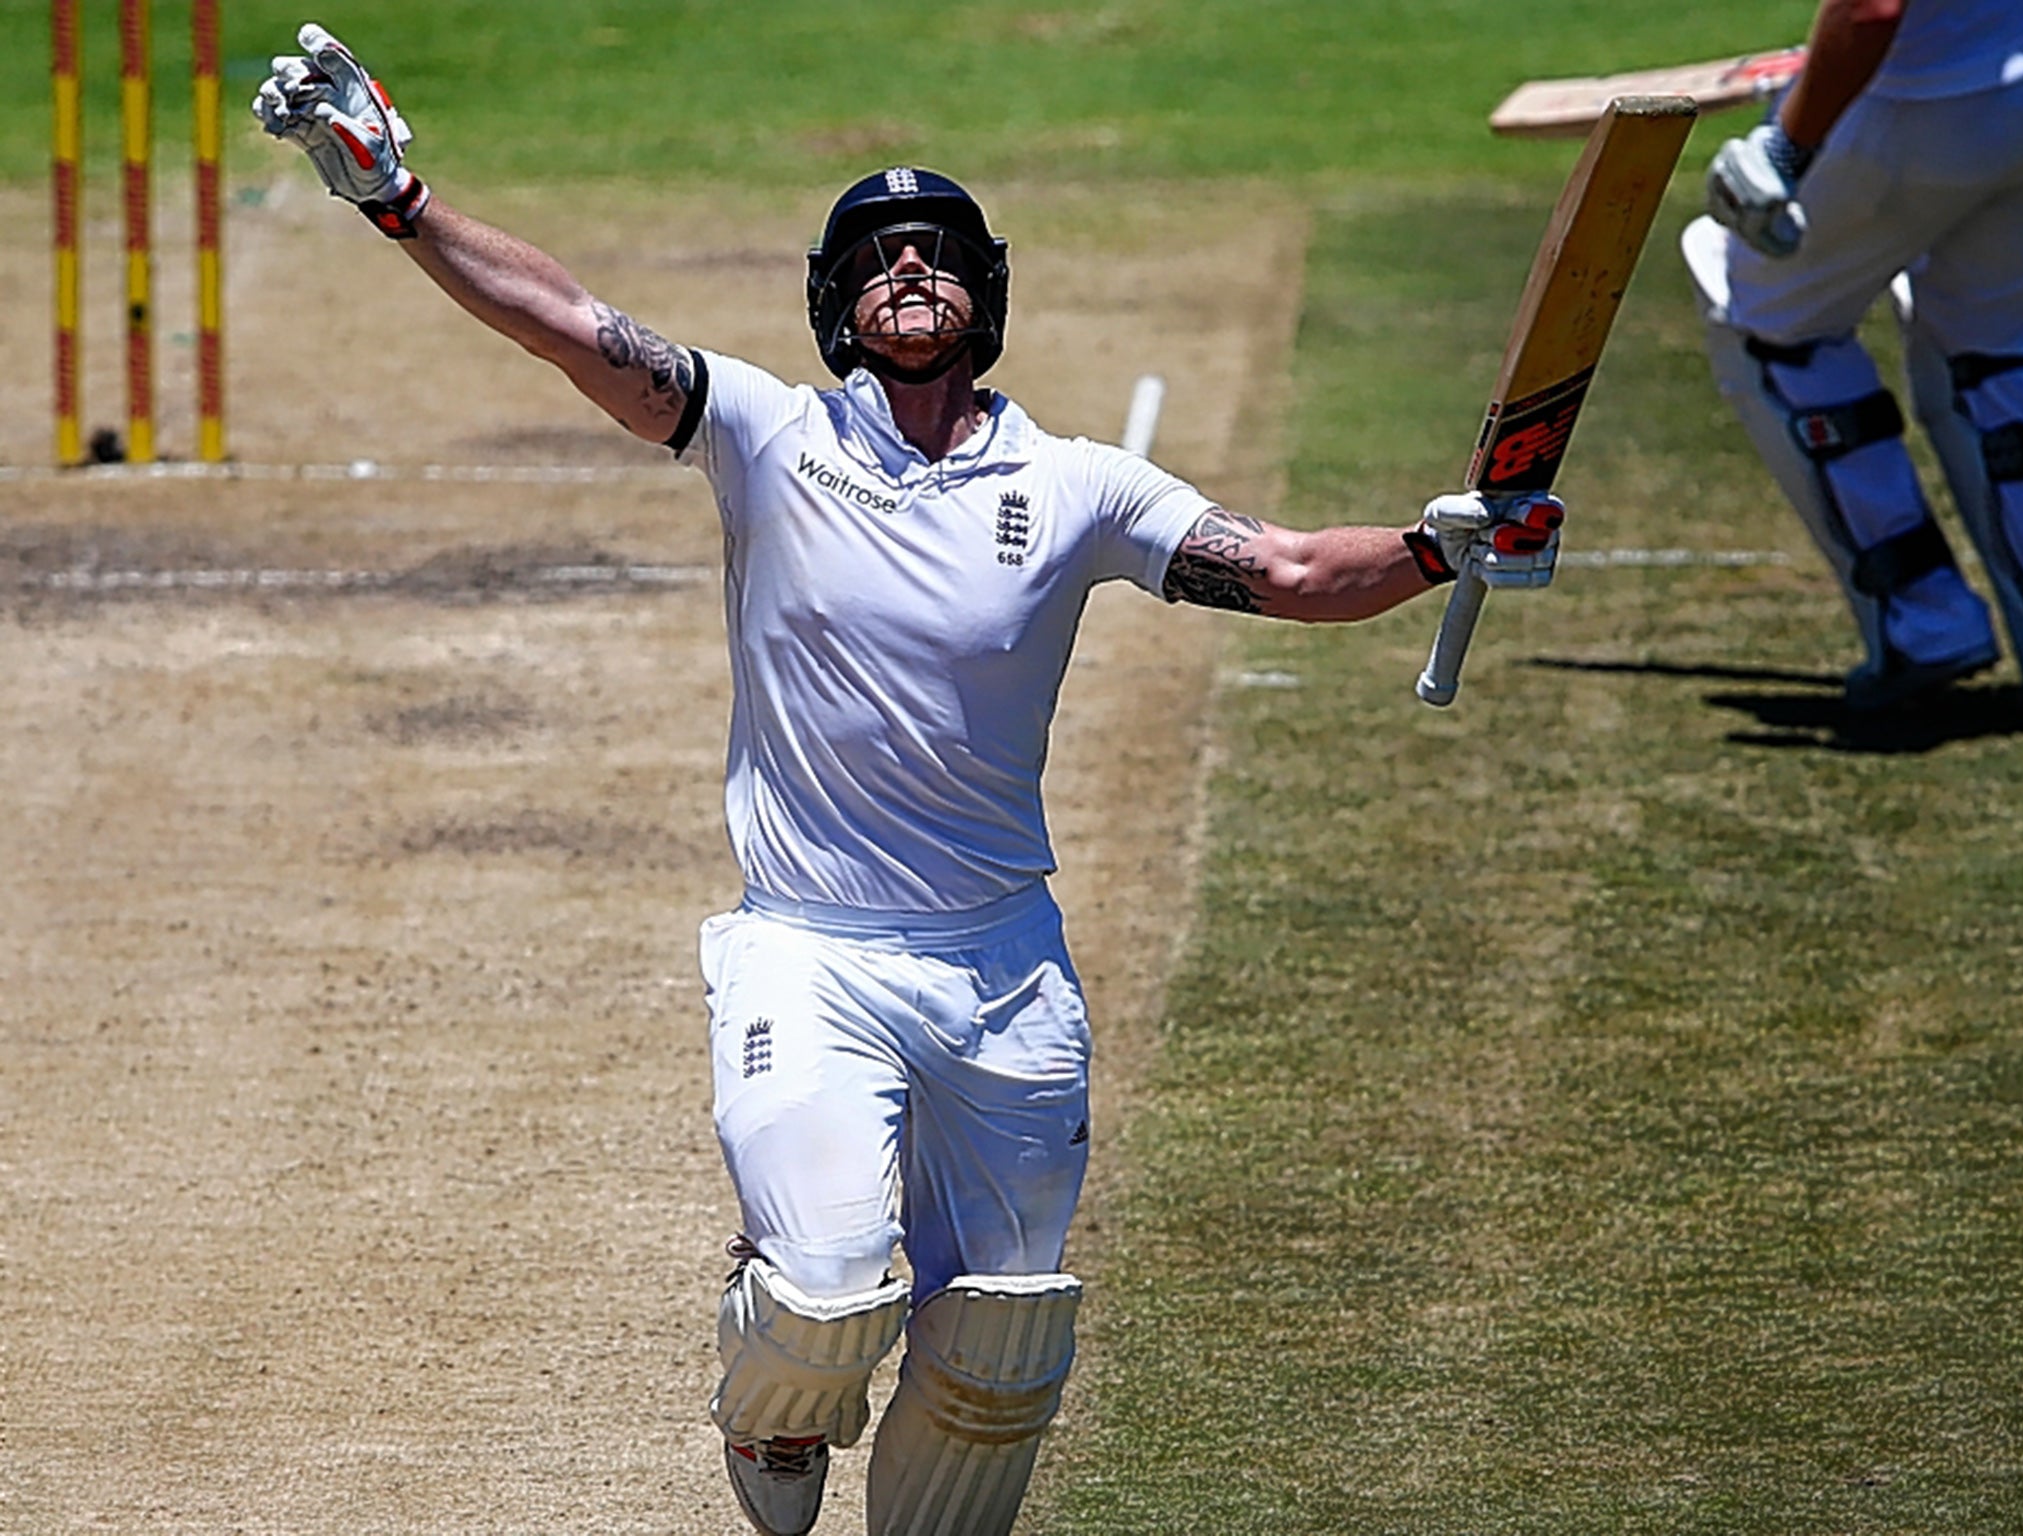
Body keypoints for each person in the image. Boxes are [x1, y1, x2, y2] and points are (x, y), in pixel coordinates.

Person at [253, 23, 1565, 1536]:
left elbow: (1277, 569)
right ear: (837, 304)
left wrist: (1432, 548)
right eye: (879, 254)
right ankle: (770, 1403)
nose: (912, 270)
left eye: (939, 250)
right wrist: (401, 202)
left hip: (1006, 969)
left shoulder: (1072, 486)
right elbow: (571, 325)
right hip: (811, 954)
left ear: (984, 293)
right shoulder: (765, 436)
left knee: (1004, 1339)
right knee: (823, 1304)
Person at [1687, 0, 2023, 715]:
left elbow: (1872, 6)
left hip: (1922, 101)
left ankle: (1923, 620)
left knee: (1755, 307)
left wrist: (1784, 149)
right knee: (1986, 341)